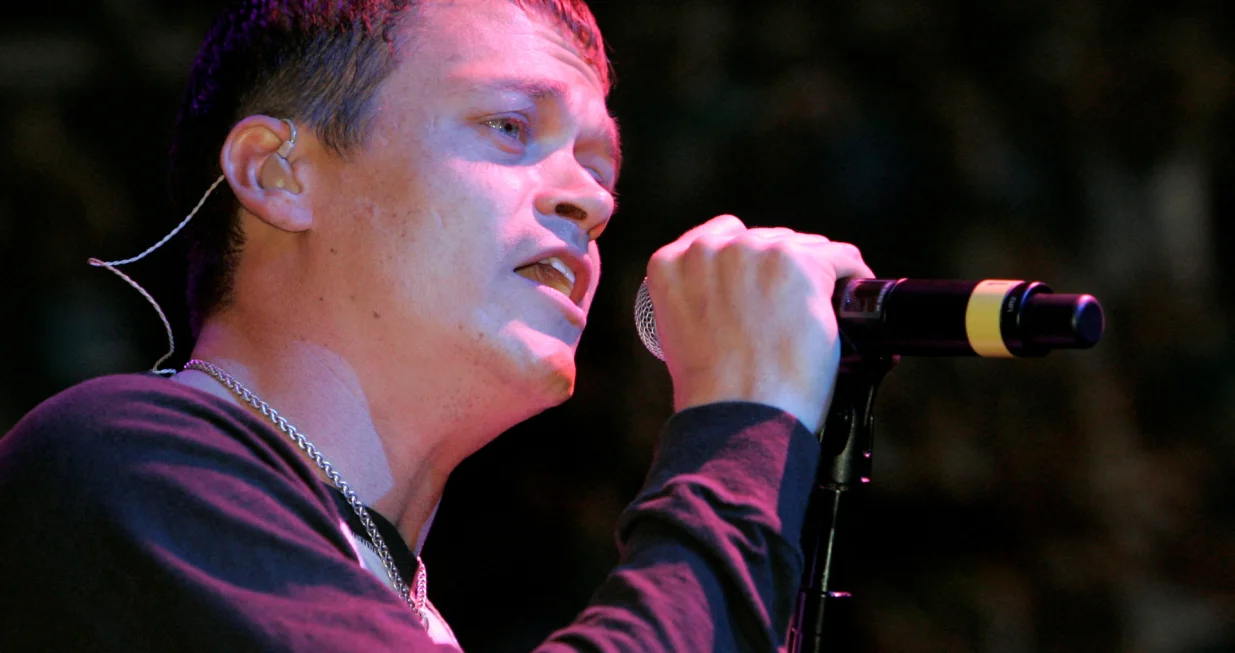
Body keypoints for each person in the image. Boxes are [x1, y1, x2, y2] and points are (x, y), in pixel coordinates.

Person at [0, 0, 872, 650]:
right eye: (508, 127)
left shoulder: (398, 604)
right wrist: (738, 426)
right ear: (278, 174)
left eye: (596, 162)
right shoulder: (117, 460)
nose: (591, 198)